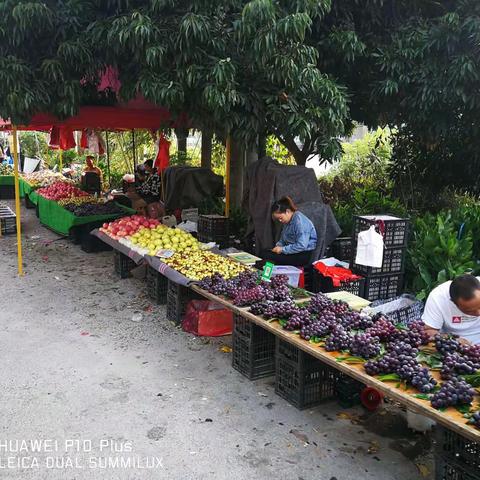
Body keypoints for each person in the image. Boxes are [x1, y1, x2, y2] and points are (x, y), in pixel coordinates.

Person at [422, 274, 480, 345]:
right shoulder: (438, 298)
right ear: (453, 302)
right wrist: (453, 341)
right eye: (469, 311)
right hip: (454, 349)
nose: (478, 313)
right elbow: (429, 331)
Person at [260, 196, 317, 266]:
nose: (280, 221)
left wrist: (282, 250)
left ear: (287, 211)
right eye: (278, 219)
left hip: (302, 255)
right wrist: (278, 246)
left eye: (280, 218)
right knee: (265, 252)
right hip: (291, 251)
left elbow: (302, 245)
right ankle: (268, 275)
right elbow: (283, 239)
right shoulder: (287, 222)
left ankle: (267, 276)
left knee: (269, 256)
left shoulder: (299, 221)